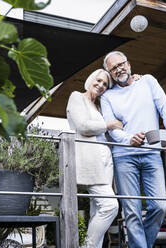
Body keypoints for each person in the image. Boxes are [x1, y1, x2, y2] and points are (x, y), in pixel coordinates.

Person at [100, 51, 166, 248]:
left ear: (128, 64)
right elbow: (112, 129)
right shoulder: (107, 97)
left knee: (160, 206)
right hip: (123, 156)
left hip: (151, 153)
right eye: (113, 68)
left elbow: (165, 108)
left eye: (121, 64)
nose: (119, 69)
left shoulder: (148, 82)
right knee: (132, 211)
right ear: (109, 73)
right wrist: (130, 139)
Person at [66, 69, 121, 248]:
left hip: (106, 160)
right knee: (110, 206)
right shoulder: (77, 97)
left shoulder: (99, 106)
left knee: (97, 210)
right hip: (90, 160)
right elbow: (83, 126)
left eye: (105, 84)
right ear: (91, 80)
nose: (101, 85)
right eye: (98, 81)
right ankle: (88, 246)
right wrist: (108, 124)